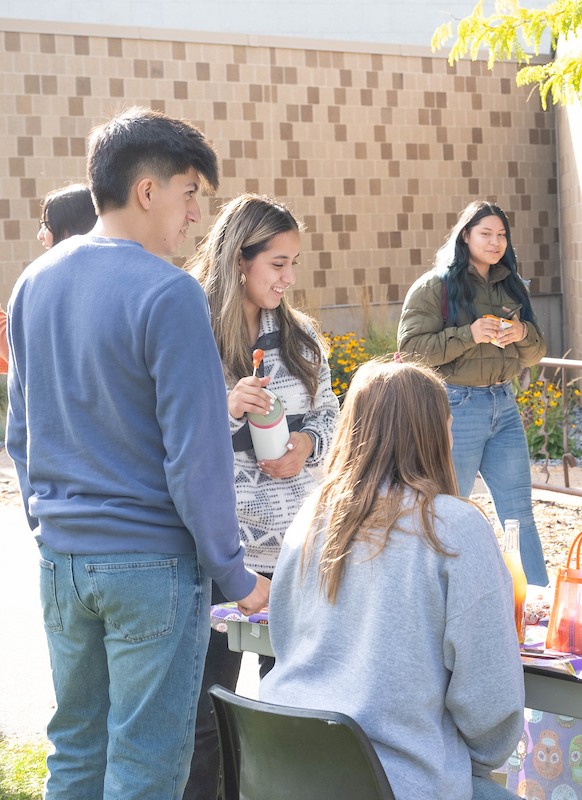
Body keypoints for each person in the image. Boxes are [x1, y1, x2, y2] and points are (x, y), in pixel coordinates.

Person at [6, 107, 269, 799]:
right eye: (189, 194)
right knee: (146, 766)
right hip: (153, 565)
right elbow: (197, 456)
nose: (193, 217)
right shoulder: (170, 291)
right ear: (147, 191)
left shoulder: (32, 283)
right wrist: (236, 576)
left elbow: (20, 435)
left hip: (63, 563)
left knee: (77, 751)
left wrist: (51, 526)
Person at [260, 360, 524, 800]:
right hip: (395, 780)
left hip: (282, 770)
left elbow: (285, 642)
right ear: (436, 433)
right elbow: (490, 705)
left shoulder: (310, 517)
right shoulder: (454, 528)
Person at [183, 194, 339, 799]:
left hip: (295, 551)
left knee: (289, 708)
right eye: (277, 263)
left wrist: (304, 443)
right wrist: (225, 411)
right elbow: (169, 432)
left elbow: (328, 412)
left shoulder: (298, 339)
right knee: (208, 711)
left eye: (294, 263)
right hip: (221, 551)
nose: (289, 278)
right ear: (239, 260)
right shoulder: (191, 329)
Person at [397, 201, 549, 585]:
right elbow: (411, 350)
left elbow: (537, 351)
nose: (495, 242)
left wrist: (522, 334)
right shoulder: (435, 286)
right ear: (465, 235)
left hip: (504, 405)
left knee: (519, 514)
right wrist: (469, 334)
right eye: (486, 233)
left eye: (502, 235)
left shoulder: (513, 286)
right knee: (447, 510)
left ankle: (536, 606)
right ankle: (435, 597)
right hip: (454, 407)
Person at [0, 184, 97, 373]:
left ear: (70, 229)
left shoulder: (49, 282)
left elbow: (24, 355)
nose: (40, 236)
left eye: (46, 225)